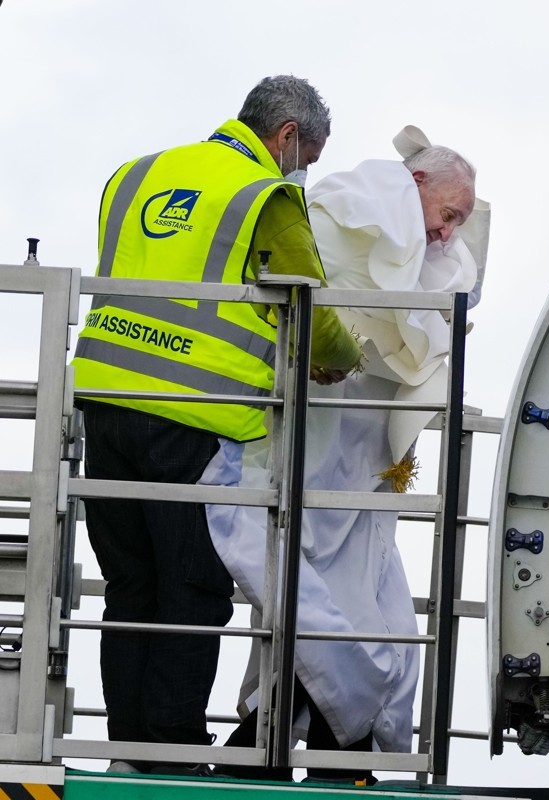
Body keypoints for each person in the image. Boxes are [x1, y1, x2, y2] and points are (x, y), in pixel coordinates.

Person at [71, 75, 362, 774]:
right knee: (192, 591)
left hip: (104, 403)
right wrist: (342, 359)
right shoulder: (265, 195)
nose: (302, 171)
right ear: (287, 136)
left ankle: (130, 748)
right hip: (193, 416)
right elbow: (308, 307)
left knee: (130, 588)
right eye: (307, 157)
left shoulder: (139, 174)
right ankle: (172, 751)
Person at [202, 126, 487, 782]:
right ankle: (311, 746)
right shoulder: (355, 203)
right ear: (417, 182)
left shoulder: (421, 243)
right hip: (318, 431)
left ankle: (292, 746)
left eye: (458, 223)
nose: (447, 234)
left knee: (354, 599)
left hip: (365, 459)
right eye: (447, 215)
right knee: (320, 592)